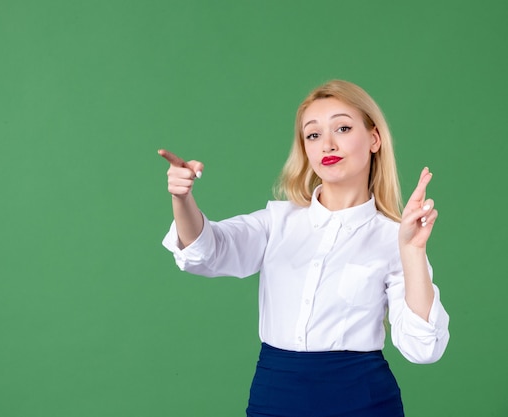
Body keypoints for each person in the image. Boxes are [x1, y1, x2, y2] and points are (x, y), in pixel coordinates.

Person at [158, 80, 450, 417]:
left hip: (364, 402)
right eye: (313, 135)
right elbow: (206, 250)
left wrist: (412, 252)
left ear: (374, 138)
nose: (327, 144)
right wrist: (182, 199)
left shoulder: (394, 239)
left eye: (342, 128)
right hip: (275, 397)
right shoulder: (276, 222)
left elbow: (423, 348)